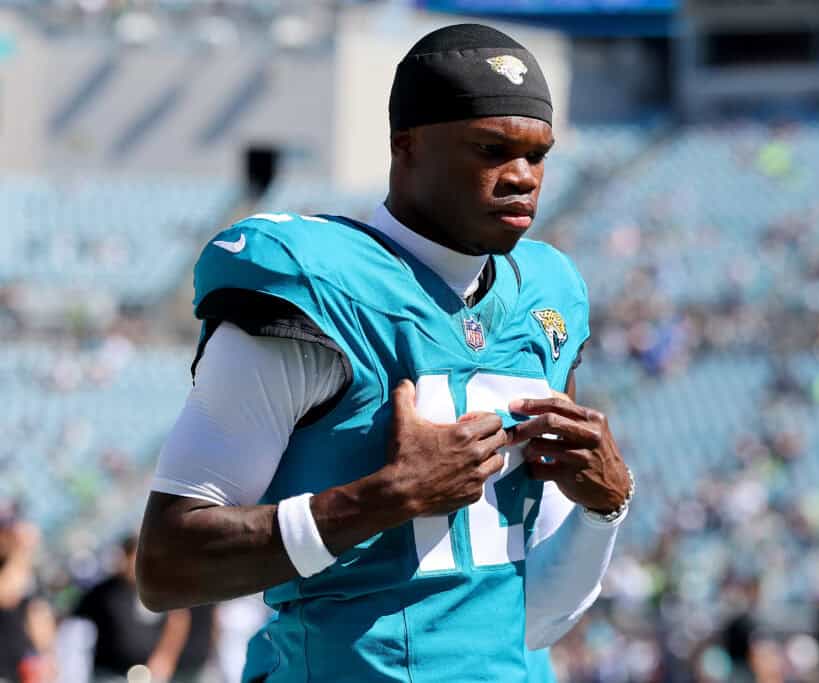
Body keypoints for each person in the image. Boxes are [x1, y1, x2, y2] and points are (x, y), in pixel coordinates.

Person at [136, 23, 633, 683]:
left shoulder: (549, 296)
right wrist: (382, 498)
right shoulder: (312, 283)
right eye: (492, 149)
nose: (522, 178)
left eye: (538, 155)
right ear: (407, 146)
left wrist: (606, 509)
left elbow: (531, 615)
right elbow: (167, 564)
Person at [72, 536, 199, 682]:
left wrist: (164, 658)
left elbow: (178, 620)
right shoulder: (104, 592)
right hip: (110, 673)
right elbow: (73, 619)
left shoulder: (159, 589)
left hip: (151, 674)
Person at [0, 505, 55, 683]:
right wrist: (21, 552)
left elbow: (42, 633)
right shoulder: (15, 567)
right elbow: (6, 594)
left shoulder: (26, 575)